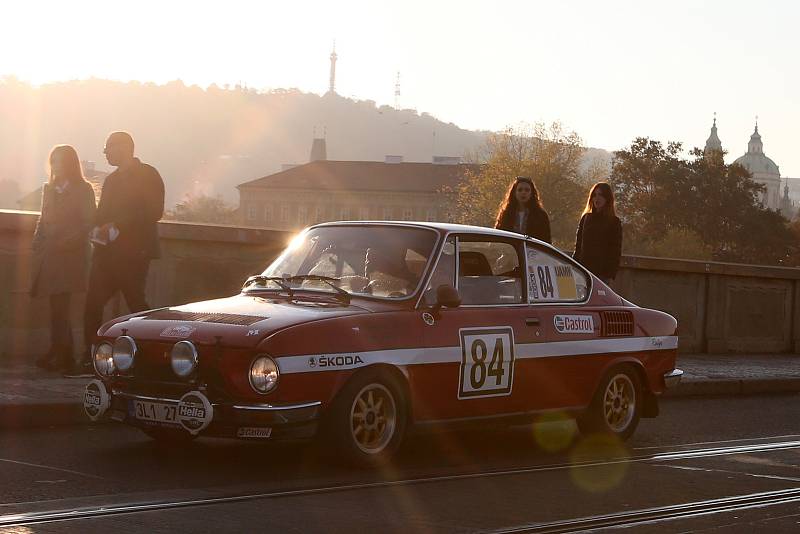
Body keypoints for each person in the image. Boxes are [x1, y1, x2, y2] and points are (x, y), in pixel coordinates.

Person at [71, 132, 165, 376]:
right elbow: (102, 214)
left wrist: (118, 225)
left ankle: (145, 360)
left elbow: (154, 211)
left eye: (108, 148)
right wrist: (96, 228)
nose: (105, 153)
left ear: (124, 147)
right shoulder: (112, 180)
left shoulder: (148, 175)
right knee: (92, 305)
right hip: (107, 254)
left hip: (134, 253)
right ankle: (91, 357)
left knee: (136, 307)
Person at [31, 145, 97, 372]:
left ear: (69, 164)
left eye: (58, 161)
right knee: (55, 304)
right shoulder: (49, 189)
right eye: (53, 162)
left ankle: (65, 353)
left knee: (62, 305)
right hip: (50, 255)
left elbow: (89, 222)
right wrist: (37, 241)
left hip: (71, 256)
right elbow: (43, 218)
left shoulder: (84, 189)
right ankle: (58, 349)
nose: (55, 166)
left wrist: (69, 241)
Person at [573, 182, 622, 284]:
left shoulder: (614, 222)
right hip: (583, 272)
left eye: (600, 195)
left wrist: (608, 274)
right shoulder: (586, 218)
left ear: (607, 198)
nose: (597, 198)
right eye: (594, 195)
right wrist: (574, 266)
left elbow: (615, 251)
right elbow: (578, 247)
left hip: (601, 275)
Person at [494, 176, 551, 243]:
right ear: (514, 193)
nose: (523, 193)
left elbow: (546, 240)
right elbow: (498, 236)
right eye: (520, 190)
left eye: (527, 190)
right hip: (511, 251)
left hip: (533, 251)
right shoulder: (506, 213)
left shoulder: (540, 215)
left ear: (532, 193)